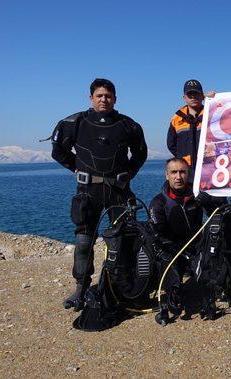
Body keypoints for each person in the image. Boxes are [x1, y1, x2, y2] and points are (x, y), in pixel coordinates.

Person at [51, 78, 148, 310]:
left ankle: (121, 285)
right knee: (84, 240)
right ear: (91, 98)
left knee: (123, 239)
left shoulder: (128, 125)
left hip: (118, 191)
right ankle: (80, 289)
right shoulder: (74, 123)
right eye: (99, 96)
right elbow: (58, 151)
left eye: (108, 96)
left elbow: (140, 153)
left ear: (115, 98)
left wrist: (128, 174)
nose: (104, 99)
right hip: (88, 191)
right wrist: (78, 168)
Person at [149, 158, 207, 316]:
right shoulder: (158, 202)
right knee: (168, 261)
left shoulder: (197, 196)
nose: (178, 176)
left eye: (182, 172)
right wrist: (175, 250)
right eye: (174, 172)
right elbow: (157, 231)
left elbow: (217, 209)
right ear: (167, 175)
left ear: (188, 174)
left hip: (195, 246)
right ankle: (173, 297)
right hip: (172, 250)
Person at [167, 79, 215, 181]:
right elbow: (171, 144)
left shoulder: (212, 113)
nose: (193, 97)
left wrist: (216, 100)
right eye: (190, 94)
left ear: (203, 96)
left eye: (196, 94)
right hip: (186, 170)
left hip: (210, 167)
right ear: (184, 97)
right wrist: (183, 157)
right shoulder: (176, 119)